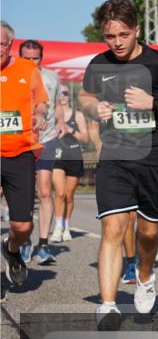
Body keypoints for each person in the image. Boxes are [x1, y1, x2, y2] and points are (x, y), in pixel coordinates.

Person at [78, 0, 158, 328]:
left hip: (154, 156)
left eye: (123, 35)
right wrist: (93, 109)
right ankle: (108, 305)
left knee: (147, 232)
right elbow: (86, 96)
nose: (116, 43)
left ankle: (145, 276)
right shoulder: (99, 63)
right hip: (115, 155)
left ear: (137, 30)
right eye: (110, 37)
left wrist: (153, 102)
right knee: (113, 227)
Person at [1, 21, 49, 293]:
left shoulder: (27, 69)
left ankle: (12, 249)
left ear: (10, 46)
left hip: (20, 152)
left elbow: (41, 101)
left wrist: (40, 114)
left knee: (23, 225)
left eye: (2, 43)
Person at [18, 40, 65, 264]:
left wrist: (61, 122)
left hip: (46, 140)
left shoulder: (52, 78)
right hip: (20, 142)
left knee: (45, 190)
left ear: (41, 58)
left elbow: (57, 105)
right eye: (26, 58)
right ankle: (24, 240)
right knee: (24, 192)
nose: (30, 62)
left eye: (34, 58)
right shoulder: (9, 76)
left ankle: (43, 244)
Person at [50, 84, 90, 243]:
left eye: (65, 93)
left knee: (69, 195)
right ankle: (58, 227)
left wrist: (69, 129)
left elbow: (85, 139)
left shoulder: (78, 115)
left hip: (73, 156)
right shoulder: (51, 114)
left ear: (69, 96)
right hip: (56, 157)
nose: (63, 96)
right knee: (59, 193)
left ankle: (67, 226)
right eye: (59, 93)